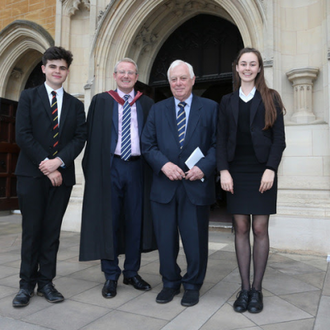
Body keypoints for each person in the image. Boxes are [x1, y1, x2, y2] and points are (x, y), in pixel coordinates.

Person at [12, 46, 87, 307]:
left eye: (62, 67)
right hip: (32, 175)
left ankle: (46, 282)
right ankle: (25, 285)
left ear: (67, 72)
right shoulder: (28, 97)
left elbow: (80, 138)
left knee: (51, 232)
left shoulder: (77, 105)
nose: (58, 71)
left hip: (62, 177)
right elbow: (23, 135)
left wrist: (59, 162)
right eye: (53, 66)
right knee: (32, 231)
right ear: (44, 68)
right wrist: (47, 164)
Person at [141, 60, 218, 307]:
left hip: (196, 186)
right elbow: (147, 145)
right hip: (165, 185)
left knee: (195, 240)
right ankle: (170, 283)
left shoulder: (210, 108)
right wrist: (164, 165)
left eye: (183, 78)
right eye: (173, 79)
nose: (178, 83)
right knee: (165, 240)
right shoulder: (157, 109)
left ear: (193, 80)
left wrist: (203, 168)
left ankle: (193, 284)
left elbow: (219, 145)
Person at [79, 58, 156, 299]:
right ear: (114, 75)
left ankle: (131, 272)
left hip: (137, 167)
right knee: (108, 220)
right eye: (121, 72)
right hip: (109, 167)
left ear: (136, 76)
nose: (126, 76)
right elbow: (91, 139)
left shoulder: (147, 103)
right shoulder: (101, 101)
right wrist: (92, 174)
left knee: (136, 221)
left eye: (130, 73)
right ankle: (111, 275)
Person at [217, 47, 286, 313]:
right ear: (237, 68)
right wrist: (223, 170)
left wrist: (271, 168)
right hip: (235, 171)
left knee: (259, 229)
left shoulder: (271, 97)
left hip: (262, 170)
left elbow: (279, 139)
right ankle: (244, 289)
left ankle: (257, 290)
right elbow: (220, 139)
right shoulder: (227, 100)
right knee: (241, 228)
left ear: (259, 68)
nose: (247, 68)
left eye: (252, 64)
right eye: (243, 63)